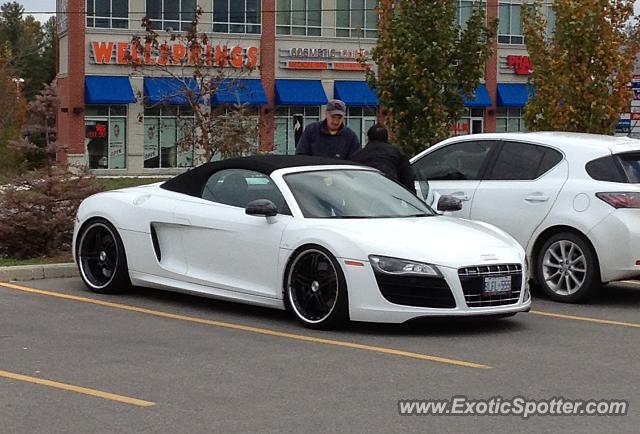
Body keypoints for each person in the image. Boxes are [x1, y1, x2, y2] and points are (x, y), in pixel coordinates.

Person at [351, 123, 416, 193]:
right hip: (389, 195)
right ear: (387, 138)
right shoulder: (398, 154)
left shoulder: (358, 156)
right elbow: (408, 181)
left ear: (368, 139)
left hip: (365, 195)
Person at [295, 99, 361, 159]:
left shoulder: (350, 137)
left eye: (339, 118)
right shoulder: (311, 131)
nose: (336, 121)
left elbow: (355, 162)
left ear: (344, 116)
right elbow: (301, 156)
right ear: (326, 114)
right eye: (333, 117)